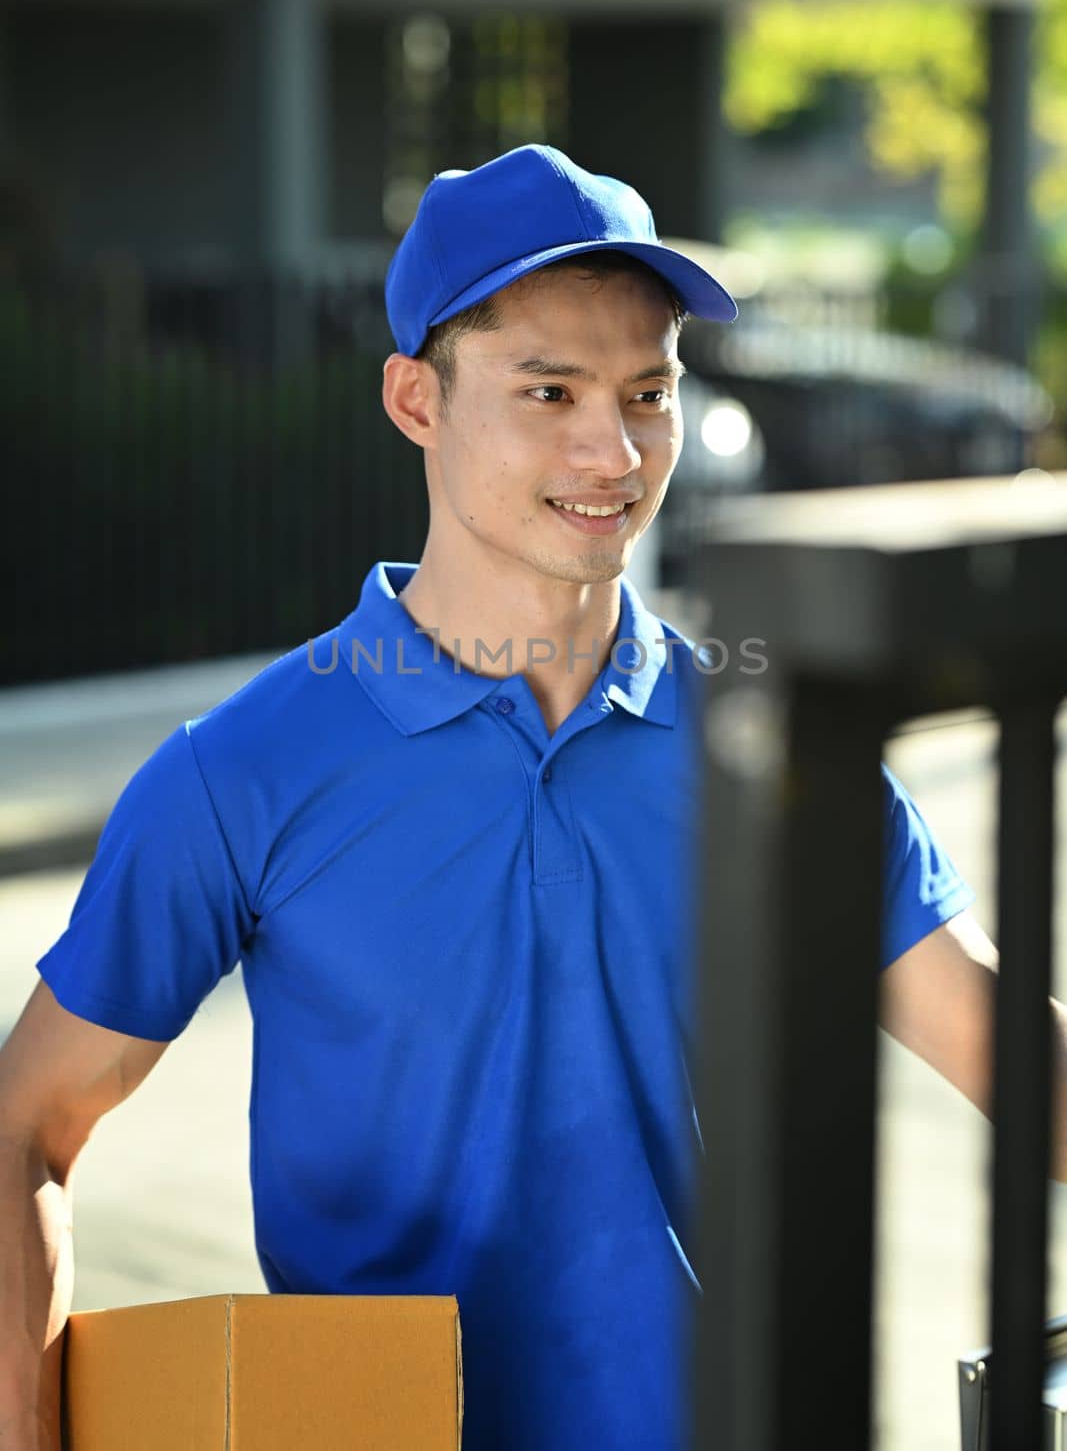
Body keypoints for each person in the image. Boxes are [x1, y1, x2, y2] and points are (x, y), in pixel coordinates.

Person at [0, 145, 1048, 1451]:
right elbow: (25, 1130)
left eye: (648, 394)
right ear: (415, 399)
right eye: (549, 391)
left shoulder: (769, 744)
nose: (612, 451)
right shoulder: (246, 769)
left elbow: (1016, 1064)